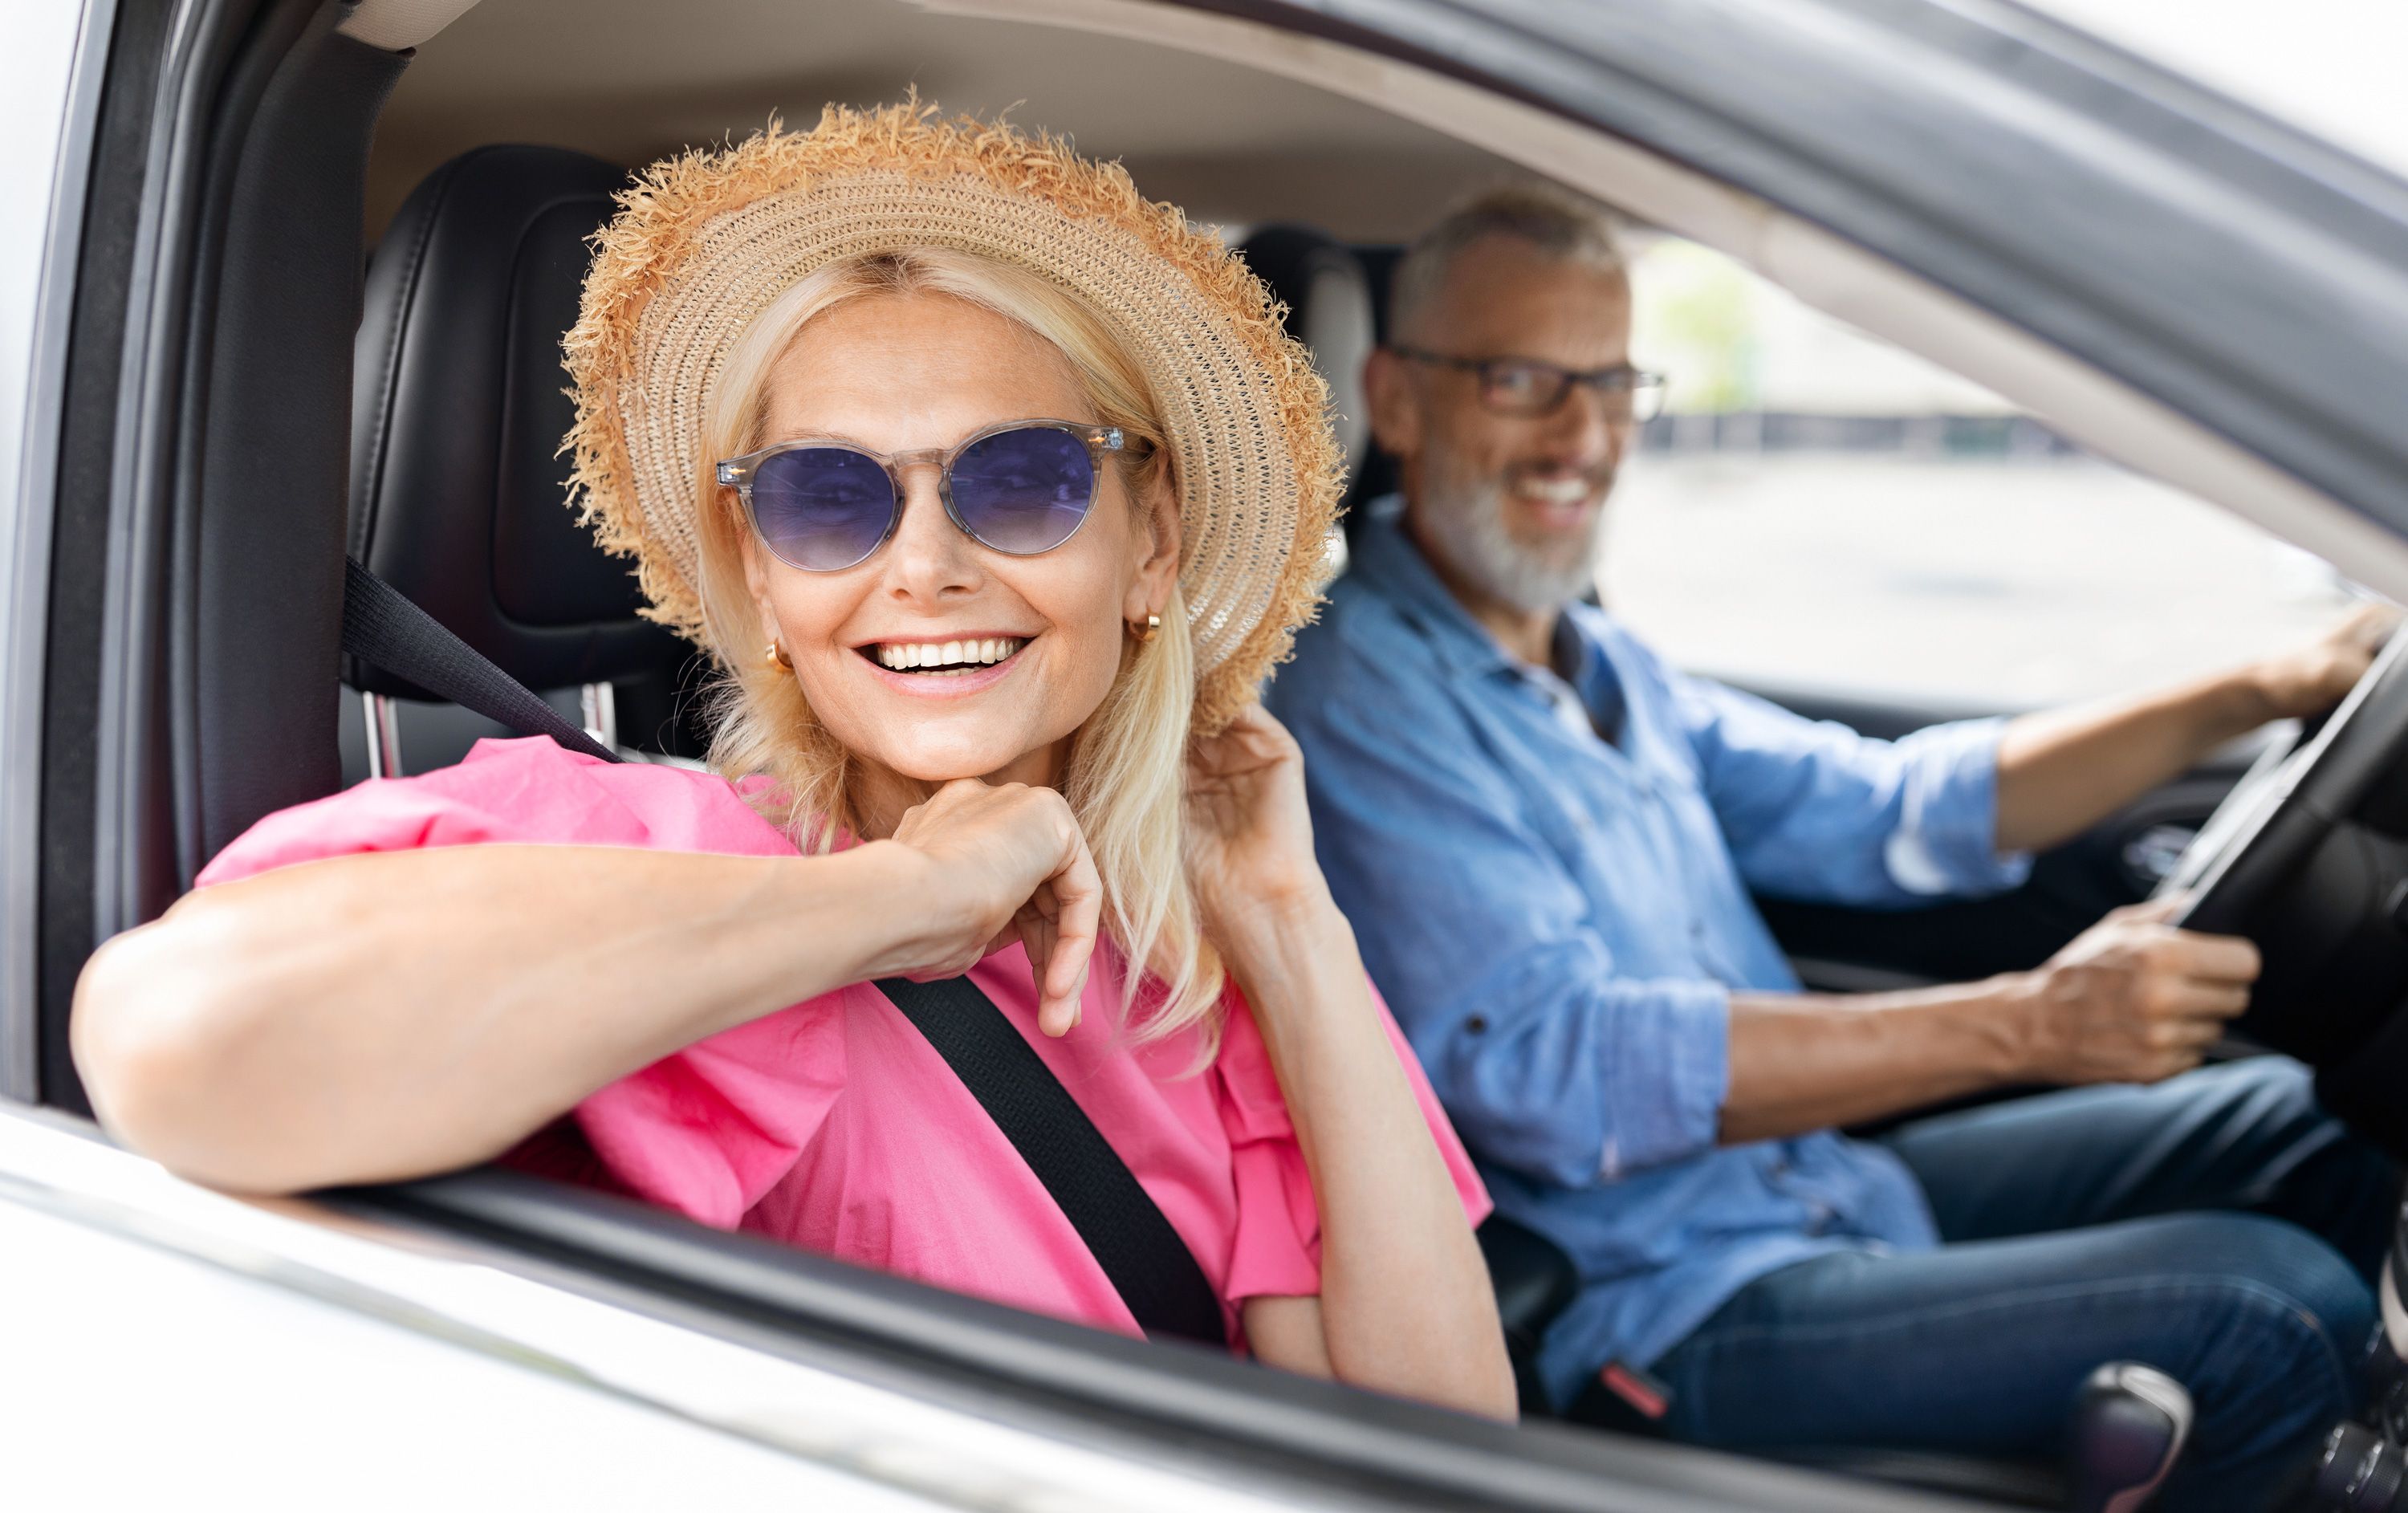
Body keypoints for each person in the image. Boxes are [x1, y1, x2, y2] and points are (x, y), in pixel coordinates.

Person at [69, 104, 1514, 1420]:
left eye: (1022, 479)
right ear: (761, 580)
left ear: (1150, 543)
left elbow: (1438, 1446)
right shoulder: (645, 853)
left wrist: (1290, 923)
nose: (927, 567)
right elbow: (177, 1042)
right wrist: (901, 900)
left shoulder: (1202, 957)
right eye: (828, 500)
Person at [1267, 181, 2399, 1498]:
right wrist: (2029, 1021)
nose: (1585, 436)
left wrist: (2255, 686)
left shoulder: (1601, 658)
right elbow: (1553, 1065)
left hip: (1813, 1186)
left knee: (2312, 1128)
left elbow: (1889, 811)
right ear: (1395, 399)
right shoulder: (1357, 703)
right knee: (2269, 1308)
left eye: (1615, 382)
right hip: (1667, 1303)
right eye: (1524, 379)